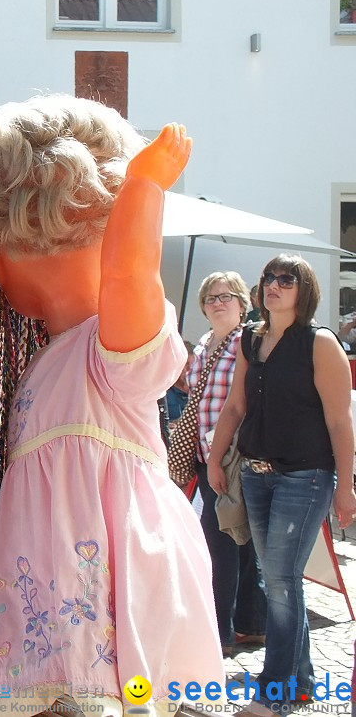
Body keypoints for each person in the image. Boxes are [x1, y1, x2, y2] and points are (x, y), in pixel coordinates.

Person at [0, 96, 222, 716]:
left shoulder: (109, 351)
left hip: (111, 597)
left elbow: (130, 279)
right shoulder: (42, 362)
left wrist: (143, 188)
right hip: (50, 609)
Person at [208, 255, 356, 711]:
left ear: (304, 289)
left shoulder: (320, 343)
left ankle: (277, 689)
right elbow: (234, 407)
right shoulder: (251, 340)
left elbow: (339, 419)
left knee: (282, 579)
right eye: (268, 278)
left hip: (306, 476)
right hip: (255, 476)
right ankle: (303, 677)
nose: (274, 285)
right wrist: (216, 460)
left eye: (285, 279)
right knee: (280, 581)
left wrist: (346, 488)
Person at [184, 272, 266, 657]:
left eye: (226, 296)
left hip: (233, 455)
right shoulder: (203, 345)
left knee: (222, 541)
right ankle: (252, 623)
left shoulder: (247, 342)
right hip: (206, 455)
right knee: (239, 538)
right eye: (211, 297)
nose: (218, 303)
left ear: (242, 304)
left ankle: (220, 630)